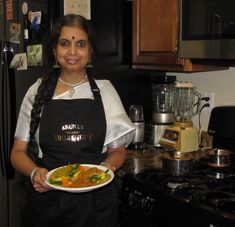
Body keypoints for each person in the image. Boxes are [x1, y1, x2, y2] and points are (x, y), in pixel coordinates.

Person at [10, 14, 135, 227]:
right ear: (54, 50)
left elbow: (118, 151)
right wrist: (34, 173)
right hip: (47, 203)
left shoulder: (105, 91)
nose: (73, 52)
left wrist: (103, 171)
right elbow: (17, 152)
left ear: (90, 51)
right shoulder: (36, 91)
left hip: (96, 205)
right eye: (65, 43)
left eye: (81, 44)